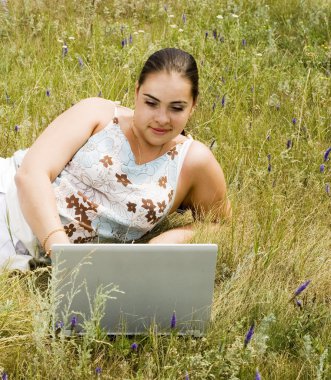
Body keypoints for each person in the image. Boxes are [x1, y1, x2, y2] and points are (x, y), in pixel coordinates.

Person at [0, 47, 231, 272]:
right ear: (136, 92)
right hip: (10, 204)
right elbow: (30, 174)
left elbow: (221, 226)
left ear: (193, 106)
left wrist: (169, 239)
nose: (161, 118)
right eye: (151, 103)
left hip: (38, 255)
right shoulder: (98, 114)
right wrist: (63, 254)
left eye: (176, 108)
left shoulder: (194, 162)